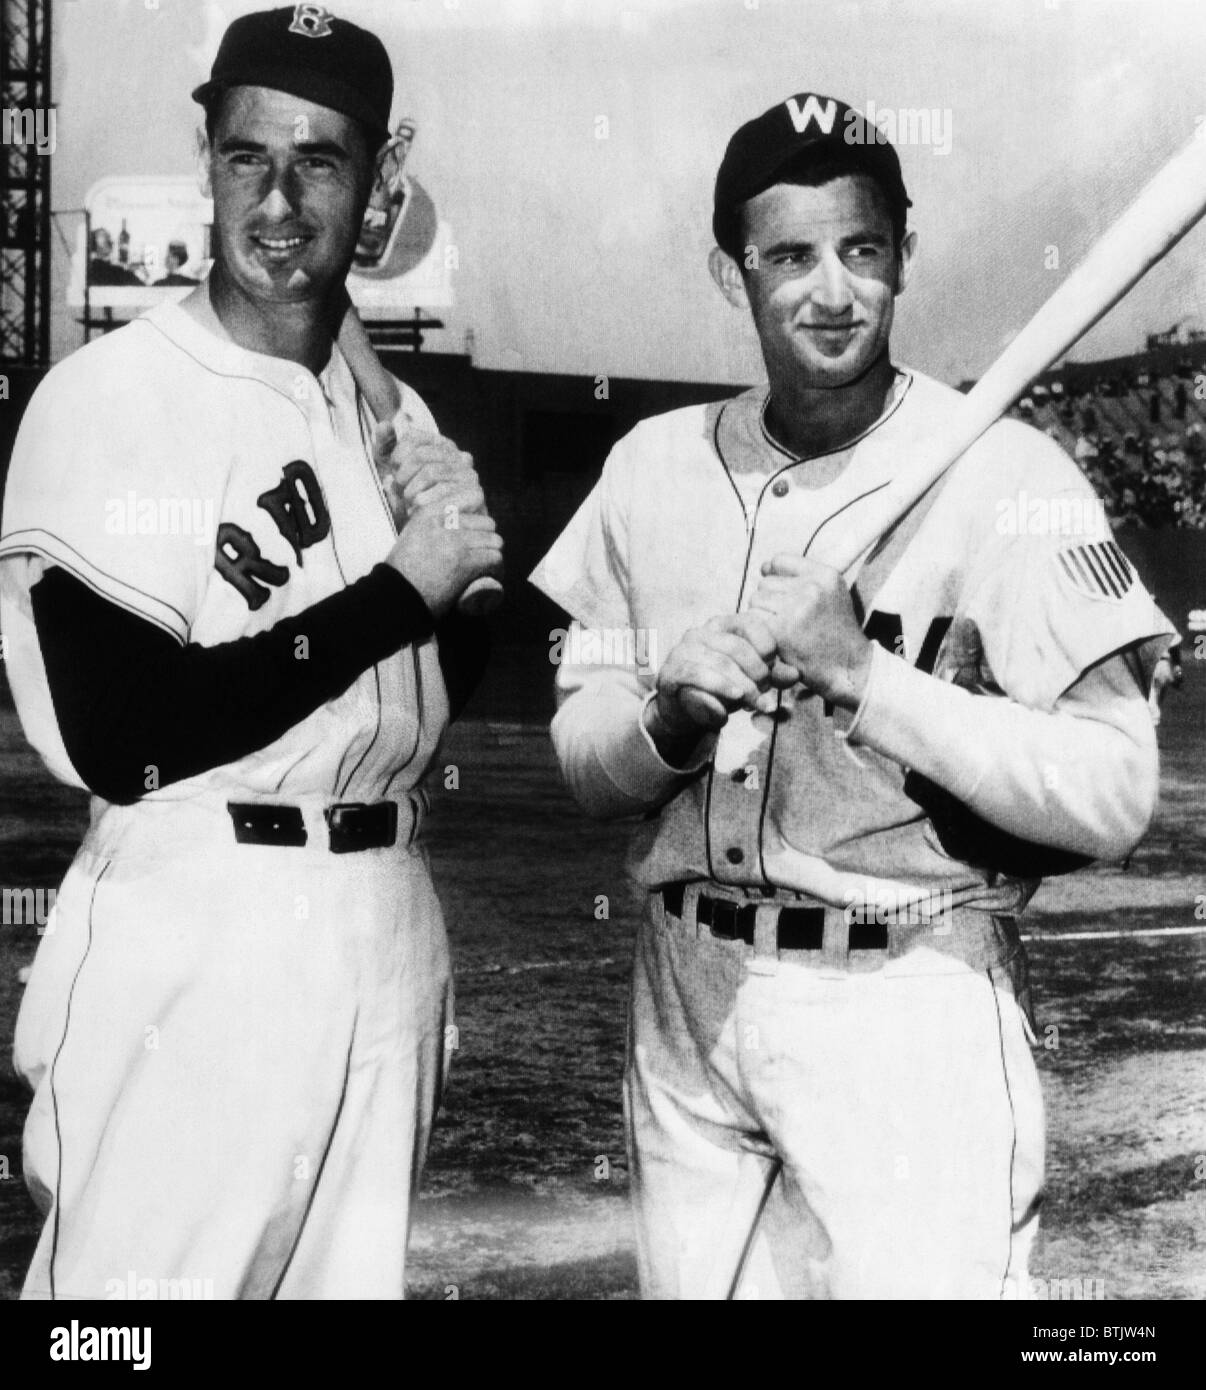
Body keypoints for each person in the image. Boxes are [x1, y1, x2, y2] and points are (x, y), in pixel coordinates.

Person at [532, 91, 1175, 1300]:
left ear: (903, 257)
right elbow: (579, 757)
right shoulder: (649, 467)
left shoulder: (1006, 476)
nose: (832, 290)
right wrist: (663, 724)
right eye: (790, 256)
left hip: (908, 1001)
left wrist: (864, 676)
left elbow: (1114, 787)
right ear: (734, 275)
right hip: (684, 1005)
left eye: (862, 251)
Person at [0, 4, 501, 1300]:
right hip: (200, 919)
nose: (277, 202)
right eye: (246, 159)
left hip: (385, 916)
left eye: (320, 162)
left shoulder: (390, 410)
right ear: (204, 156)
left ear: (383, 178)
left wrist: (468, 589)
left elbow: (428, 694)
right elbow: (126, 731)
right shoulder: (113, 397)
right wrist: (401, 590)